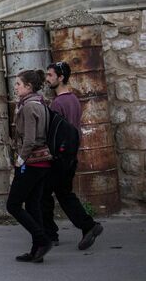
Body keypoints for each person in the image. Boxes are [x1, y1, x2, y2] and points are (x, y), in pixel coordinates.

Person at [42, 61, 103, 250]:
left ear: (61, 78)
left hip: (59, 157)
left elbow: (53, 134)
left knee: (43, 194)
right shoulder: (74, 100)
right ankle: (88, 226)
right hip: (70, 156)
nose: (47, 79)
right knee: (64, 194)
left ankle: (50, 235)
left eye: (50, 75)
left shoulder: (58, 103)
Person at [7, 69, 53, 263]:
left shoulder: (28, 107)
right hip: (43, 162)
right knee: (33, 204)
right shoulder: (40, 103)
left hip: (32, 162)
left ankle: (42, 240)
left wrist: (20, 160)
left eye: (18, 84)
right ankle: (37, 250)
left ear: (28, 86)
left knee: (13, 205)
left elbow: (30, 139)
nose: (15, 87)